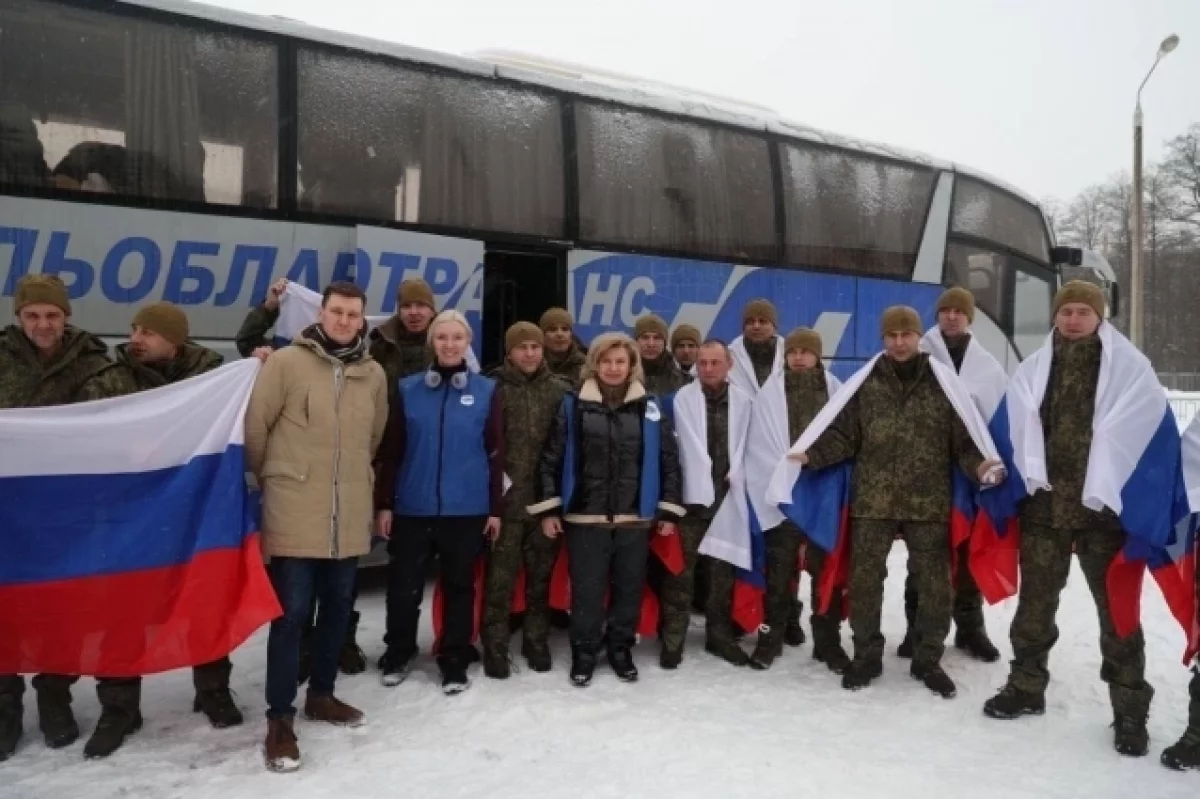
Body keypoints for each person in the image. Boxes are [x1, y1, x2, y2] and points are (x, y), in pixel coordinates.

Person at [981, 281, 1158, 758]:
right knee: (1035, 608)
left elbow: (1149, 433)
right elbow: (1009, 430)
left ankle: (1130, 708)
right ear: (1055, 316)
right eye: (1066, 311)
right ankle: (1026, 686)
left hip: (1105, 516)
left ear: (1100, 317)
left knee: (1118, 614)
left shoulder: (1130, 371)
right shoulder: (1034, 369)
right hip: (1045, 510)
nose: (1073, 319)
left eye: (1083, 311)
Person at [792, 306, 1000, 699]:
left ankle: (928, 658)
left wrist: (981, 465)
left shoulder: (943, 383)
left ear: (920, 337)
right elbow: (845, 436)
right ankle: (867, 655)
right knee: (865, 582)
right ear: (883, 339)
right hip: (873, 502)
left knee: (936, 586)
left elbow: (963, 441)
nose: (900, 342)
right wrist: (811, 455)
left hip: (928, 502)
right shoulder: (865, 383)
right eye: (892, 336)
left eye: (907, 335)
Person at [244, 281, 388, 773]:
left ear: (362, 320)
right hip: (294, 512)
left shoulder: (373, 374)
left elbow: (373, 438)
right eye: (337, 311)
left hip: (348, 514)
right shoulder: (286, 363)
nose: (344, 321)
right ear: (321, 313)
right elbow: (256, 430)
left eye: (353, 314)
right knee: (290, 617)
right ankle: (279, 718)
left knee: (337, 612)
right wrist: (281, 479)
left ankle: (321, 695)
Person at [84, 302, 233, 760]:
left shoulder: (212, 379)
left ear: (175, 340)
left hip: (192, 511)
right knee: (122, 611)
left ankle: (213, 690)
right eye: (134, 329)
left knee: (204, 601)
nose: (135, 338)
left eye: (147, 332)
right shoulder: (111, 381)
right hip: (130, 517)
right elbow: (87, 440)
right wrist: (130, 448)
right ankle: (119, 708)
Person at [0, 275, 127, 762]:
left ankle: (55, 697)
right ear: (19, 317)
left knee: (60, 607)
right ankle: (5, 705)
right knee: (6, 607)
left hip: (66, 512)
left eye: (52, 315)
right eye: (32, 315)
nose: (43, 324)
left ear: (66, 317)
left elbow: (119, 419)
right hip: (8, 511)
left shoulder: (95, 364)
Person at [532, 332, 685, 686]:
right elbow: (551, 458)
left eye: (620, 362)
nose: (613, 368)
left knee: (629, 589)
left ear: (631, 366)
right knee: (587, 590)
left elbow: (668, 460)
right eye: (606, 361)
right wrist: (549, 510)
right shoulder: (573, 405)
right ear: (595, 364)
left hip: (635, 518)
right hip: (585, 517)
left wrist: (668, 510)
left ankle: (620, 648)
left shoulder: (649, 406)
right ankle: (585, 651)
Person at [374, 310, 504, 694]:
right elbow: (392, 451)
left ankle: (454, 658)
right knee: (403, 588)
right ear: (432, 342)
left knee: (460, 588)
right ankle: (398, 652)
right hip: (412, 507)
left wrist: (494, 508)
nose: (449, 345)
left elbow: (496, 453)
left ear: (468, 343)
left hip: (466, 510)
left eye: (457, 338)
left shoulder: (487, 391)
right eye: (442, 337)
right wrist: (386, 504)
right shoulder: (408, 389)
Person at [898, 287, 1008, 663]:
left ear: (969, 318)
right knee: (923, 556)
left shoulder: (987, 366)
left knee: (967, 551)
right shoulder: (917, 356)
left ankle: (970, 628)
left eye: (959, 311)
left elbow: (999, 419)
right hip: (925, 473)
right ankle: (917, 629)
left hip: (972, 476)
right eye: (945, 310)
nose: (951, 316)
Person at [750, 327, 848, 672]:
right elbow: (757, 444)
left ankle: (827, 642)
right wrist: (779, 474)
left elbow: (847, 437)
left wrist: (813, 458)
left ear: (817, 356)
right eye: (792, 352)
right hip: (782, 497)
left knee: (825, 572)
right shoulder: (769, 395)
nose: (799, 357)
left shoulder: (836, 391)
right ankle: (770, 639)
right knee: (778, 574)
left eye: (806, 351)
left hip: (823, 494)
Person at [480, 322, 571, 676]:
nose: (530, 353)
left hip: (545, 505)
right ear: (509, 352)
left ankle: (536, 640)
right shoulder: (492, 388)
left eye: (535, 346)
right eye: (522, 347)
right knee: (499, 581)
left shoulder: (561, 390)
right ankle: (495, 645)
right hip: (505, 506)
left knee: (540, 580)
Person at [659, 340, 752, 668]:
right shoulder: (677, 401)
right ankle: (673, 637)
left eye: (715, 362)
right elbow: (667, 454)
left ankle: (719, 635)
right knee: (679, 574)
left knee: (721, 575)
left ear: (730, 365)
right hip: (688, 504)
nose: (708, 369)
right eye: (703, 363)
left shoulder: (745, 403)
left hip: (728, 502)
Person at [729, 299, 783, 397]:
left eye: (762, 321)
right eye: (751, 322)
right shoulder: (729, 355)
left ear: (774, 327)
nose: (756, 326)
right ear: (744, 327)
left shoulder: (788, 354)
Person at [234, 277, 289, 359]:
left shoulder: (295, 351)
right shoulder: (286, 349)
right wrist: (269, 307)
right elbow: (247, 342)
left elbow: (246, 342)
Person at [635, 314, 688, 396]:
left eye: (657, 338)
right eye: (645, 337)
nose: (651, 344)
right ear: (636, 341)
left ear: (665, 343)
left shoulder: (684, 381)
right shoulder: (623, 378)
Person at [540, 307, 586, 385]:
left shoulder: (585, 366)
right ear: (543, 335)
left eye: (565, 329)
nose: (560, 334)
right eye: (553, 329)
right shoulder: (533, 364)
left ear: (571, 335)